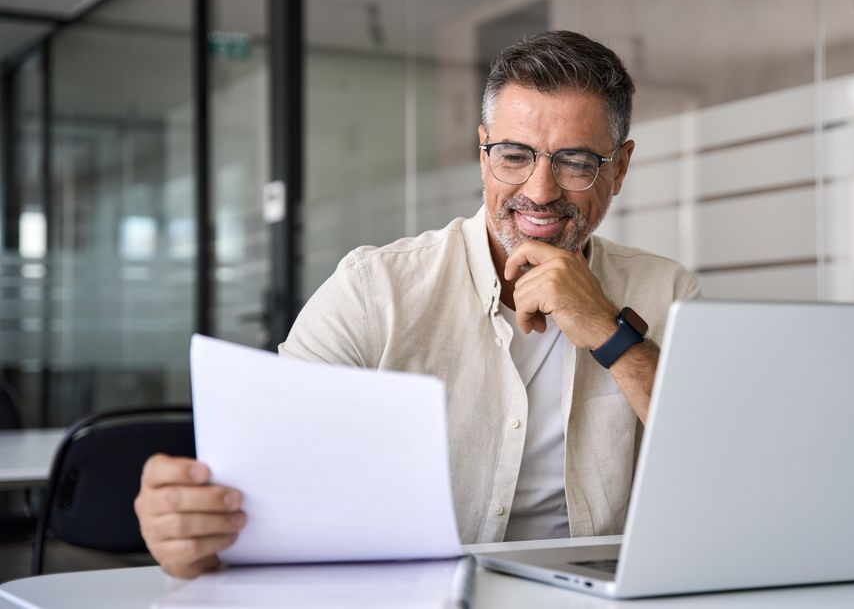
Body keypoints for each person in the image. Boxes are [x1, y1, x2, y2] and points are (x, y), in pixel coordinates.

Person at [134, 30, 700, 578]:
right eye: (513, 155)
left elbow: (728, 473)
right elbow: (267, 486)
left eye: (575, 161)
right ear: (483, 154)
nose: (541, 190)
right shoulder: (372, 291)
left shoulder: (667, 292)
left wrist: (607, 330)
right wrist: (195, 533)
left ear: (619, 167)